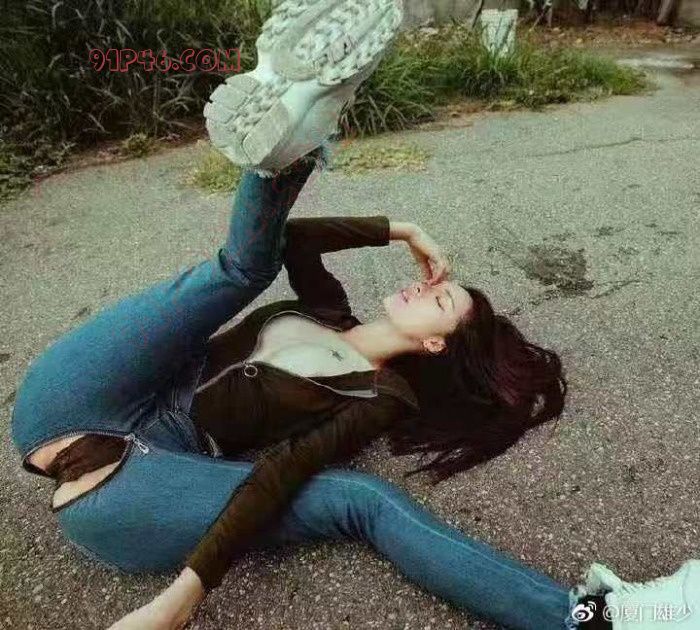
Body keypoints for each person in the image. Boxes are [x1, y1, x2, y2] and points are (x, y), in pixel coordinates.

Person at [10, 2, 698, 630]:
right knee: (243, 268)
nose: (427, 288)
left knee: (360, 500)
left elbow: (280, 473)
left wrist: (184, 595)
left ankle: (592, 619)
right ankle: (295, 126)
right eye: (437, 284)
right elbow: (295, 241)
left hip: (139, 492)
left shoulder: (382, 394)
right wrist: (400, 229)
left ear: (436, 345)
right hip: (74, 400)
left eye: (443, 301)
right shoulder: (327, 309)